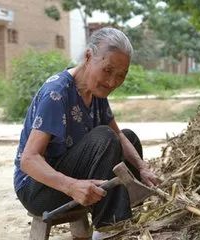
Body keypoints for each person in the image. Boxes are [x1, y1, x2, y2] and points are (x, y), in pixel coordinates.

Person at [13, 27, 160, 233]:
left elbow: (119, 135)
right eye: (108, 70)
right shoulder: (57, 93)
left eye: (121, 75)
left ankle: (125, 215)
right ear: (89, 56)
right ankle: (110, 229)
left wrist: (142, 168)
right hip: (38, 189)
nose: (112, 82)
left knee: (128, 138)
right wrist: (72, 186)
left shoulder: (98, 93)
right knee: (104, 138)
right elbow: (28, 160)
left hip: (73, 178)